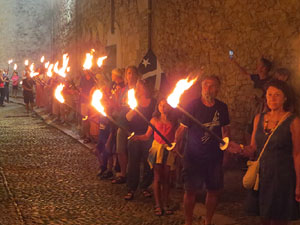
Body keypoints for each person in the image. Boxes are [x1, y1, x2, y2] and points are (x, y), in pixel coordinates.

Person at [229, 80, 300, 225]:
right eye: (269, 95)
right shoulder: (259, 119)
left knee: (279, 219)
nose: (272, 98)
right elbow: (253, 148)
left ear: (285, 98)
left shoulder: (293, 121)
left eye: (277, 95)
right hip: (262, 176)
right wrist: (240, 148)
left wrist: (299, 184)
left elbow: (297, 154)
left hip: (283, 177)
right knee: (264, 217)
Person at [174, 75, 230, 225]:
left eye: (212, 86)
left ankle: (208, 221)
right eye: (205, 85)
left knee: (213, 191)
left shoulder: (222, 107)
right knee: (190, 191)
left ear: (218, 89)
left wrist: (226, 151)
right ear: (201, 87)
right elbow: (181, 129)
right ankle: (188, 221)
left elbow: (225, 131)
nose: (208, 89)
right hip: (193, 156)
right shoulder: (192, 105)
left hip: (214, 157)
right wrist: (175, 144)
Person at [132, 98, 178, 215]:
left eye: (166, 105)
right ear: (158, 107)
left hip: (168, 150)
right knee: (157, 178)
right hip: (157, 150)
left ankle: (166, 203)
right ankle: (158, 205)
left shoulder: (174, 121)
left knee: (166, 179)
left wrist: (177, 148)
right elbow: (147, 136)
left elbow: (178, 137)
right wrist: (137, 137)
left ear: (170, 106)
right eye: (161, 105)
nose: (163, 107)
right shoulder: (154, 120)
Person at [124, 79, 156, 201]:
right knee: (133, 163)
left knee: (149, 163)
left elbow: (155, 118)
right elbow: (127, 118)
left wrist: (147, 134)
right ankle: (131, 188)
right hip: (135, 136)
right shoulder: (134, 101)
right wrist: (135, 109)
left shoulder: (153, 102)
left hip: (148, 136)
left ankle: (145, 186)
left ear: (145, 88)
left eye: (138, 86)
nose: (136, 88)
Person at [113, 66, 139, 184]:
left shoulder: (139, 89)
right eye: (128, 73)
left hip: (135, 123)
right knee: (120, 149)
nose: (131, 76)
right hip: (122, 122)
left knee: (133, 151)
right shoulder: (123, 90)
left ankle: (133, 176)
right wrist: (116, 97)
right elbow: (118, 106)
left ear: (137, 75)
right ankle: (123, 173)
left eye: (133, 73)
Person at [79, 70, 96, 143]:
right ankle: (87, 135)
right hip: (84, 100)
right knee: (85, 118)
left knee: (92, 118)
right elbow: (80, 88)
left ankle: (93, 135)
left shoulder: (93, 77)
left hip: (92, 100)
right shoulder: (83, 78)